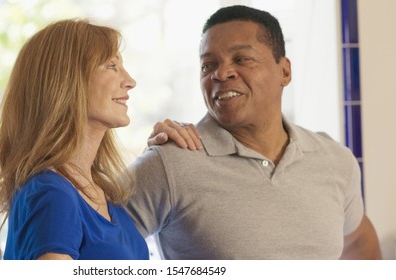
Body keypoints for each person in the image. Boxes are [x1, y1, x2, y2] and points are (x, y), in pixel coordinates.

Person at [125, 5, 382, 259]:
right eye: (208, 65)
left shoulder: (335, 160)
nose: (221, 73)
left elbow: (358, 241)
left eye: (241, 59)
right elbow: (93, 253)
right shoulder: (168, 163)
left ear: (284, 71)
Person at [0, 19, 150, 260]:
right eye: (111, 65)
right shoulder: (53, 194)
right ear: (68, 80)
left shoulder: (97, 189)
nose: (130, 81)